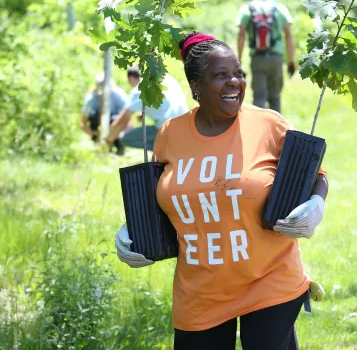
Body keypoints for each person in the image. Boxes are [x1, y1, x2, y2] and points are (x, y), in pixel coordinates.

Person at [114, 32, 329, 350]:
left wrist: (316, 203)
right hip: (200, 291)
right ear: (196, 86)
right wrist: (133, 229)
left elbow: (315, 173)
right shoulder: (170, 135)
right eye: (221, 75)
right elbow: (163, 194)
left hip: (269, 279)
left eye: (239, 74)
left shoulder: (267, 125)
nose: (235, 82)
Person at [236, 0, 295, 114]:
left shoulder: (247, 8)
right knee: (275, 97)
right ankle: (279, 132)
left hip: (258, 59)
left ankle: (260, 133)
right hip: (276, 58)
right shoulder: (280, 8)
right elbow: (288, 35)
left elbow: (241, 35)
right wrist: (291, 61)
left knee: (259, 99)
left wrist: (239, 60)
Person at [105, 67, 188, 151]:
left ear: (131, 79)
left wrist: (108, 139)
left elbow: (122, 121)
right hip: (186, 125)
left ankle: (166, 152)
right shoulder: (166, 78)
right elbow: (167, 103)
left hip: (168, 130)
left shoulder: (140, 89)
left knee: (124, 138)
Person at [80, 72, 129, 153]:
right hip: (98, 128)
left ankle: (119, 146)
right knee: (94, 116)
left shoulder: (119, 96)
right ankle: (100, 145)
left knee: (116, 119)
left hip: (115, 126)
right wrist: (94, 135)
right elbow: (83, 123)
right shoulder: (91, 99)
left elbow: (128, 120)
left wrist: (115, 134)